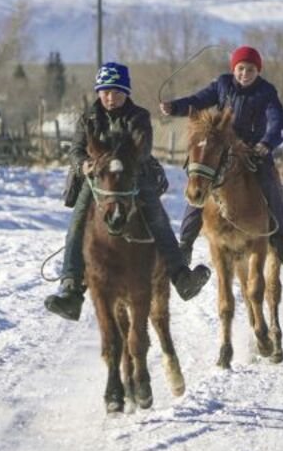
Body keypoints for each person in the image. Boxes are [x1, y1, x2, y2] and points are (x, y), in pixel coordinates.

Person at [44, 62, 212, 321]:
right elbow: (76, 150)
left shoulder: (139, 116)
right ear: (99, 92)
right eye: (106, 92)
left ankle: (181, 276)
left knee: (157, 218)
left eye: (117, 92)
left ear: (126, 93)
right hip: (98, 179)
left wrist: (118, 159)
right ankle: (71, 289)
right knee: (78, 222)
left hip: (134, 175)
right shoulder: (88, 117)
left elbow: (142, 149)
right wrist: (84, 164)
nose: (111, 98)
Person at [159, 45, 283, 266]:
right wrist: (175, 107)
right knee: (200, 184)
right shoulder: (222, 84)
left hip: (254, 150)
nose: (245, 74)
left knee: (271, 183)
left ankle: (280, 237)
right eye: (241, 68)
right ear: (234, 68)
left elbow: (278, 121)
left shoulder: (266, 92)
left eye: (250, 70)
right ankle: (185, 243)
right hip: (223, 147)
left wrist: (267, 143)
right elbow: (198, 100)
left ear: (258, 71)